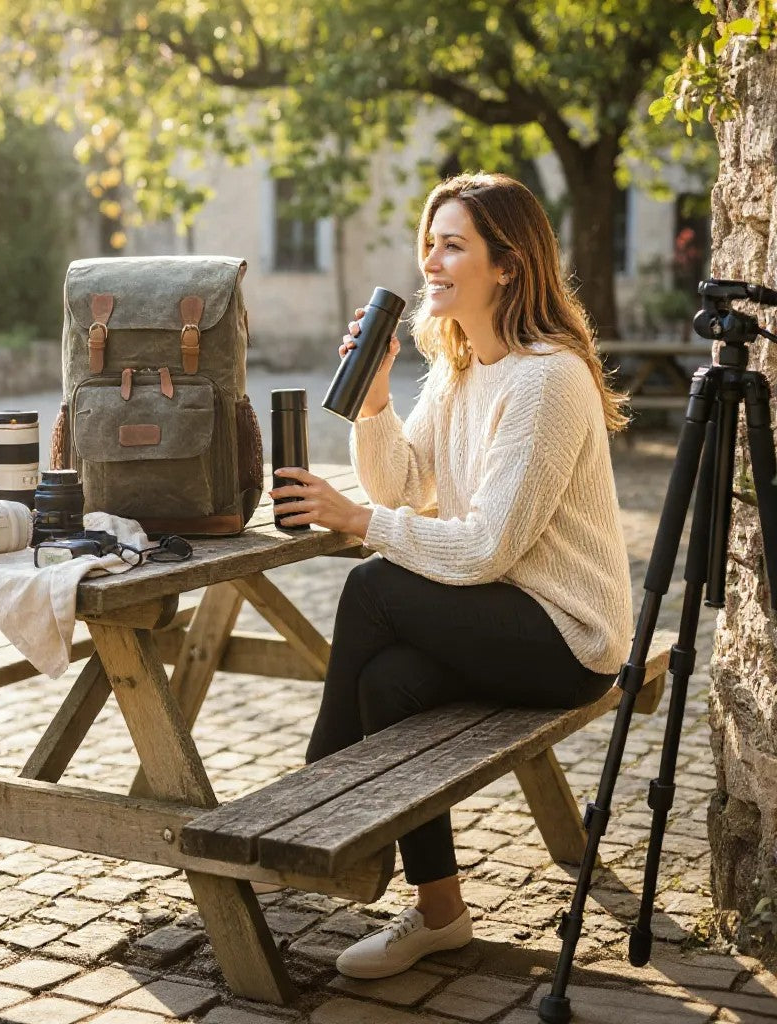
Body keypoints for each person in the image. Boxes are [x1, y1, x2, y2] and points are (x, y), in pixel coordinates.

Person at [268, 172, 633, 980]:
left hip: (568, 636)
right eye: (428, 243)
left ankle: (317, 798)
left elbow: (483, 549)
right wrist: (371, 397)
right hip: (498, 615)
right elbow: (404, 486)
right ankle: (440, 915)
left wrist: (354, 521)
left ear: (506, 264)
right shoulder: (462, 367)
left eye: (452, 244)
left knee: (371, 588)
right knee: (391, 682)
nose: (431, 260)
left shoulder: (548, 379)